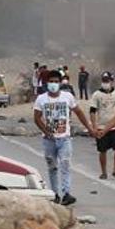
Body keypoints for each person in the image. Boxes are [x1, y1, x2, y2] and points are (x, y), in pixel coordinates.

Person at [33, 72, 95, 205]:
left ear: (60, 82)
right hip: (48, 140)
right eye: (51, 81)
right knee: (52, 167)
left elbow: (79, 112)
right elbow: (37, 118)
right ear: (47, 83)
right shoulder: (41, 99)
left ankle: (66, 193)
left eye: (56, 81)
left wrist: (89, 128)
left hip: (64, 138)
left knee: (65, 165)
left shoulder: (68, 97)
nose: (53, 84)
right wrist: (45, 130)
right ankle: (55, 194)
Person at [90, 71, 115, 180]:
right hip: (101, 127)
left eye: (107, 80)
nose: (106, 82)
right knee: (102, 150)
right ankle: (104, 171)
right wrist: (94, 126)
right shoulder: (96, 95)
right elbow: (92, 111)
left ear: (112, 81)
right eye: (104, 80)